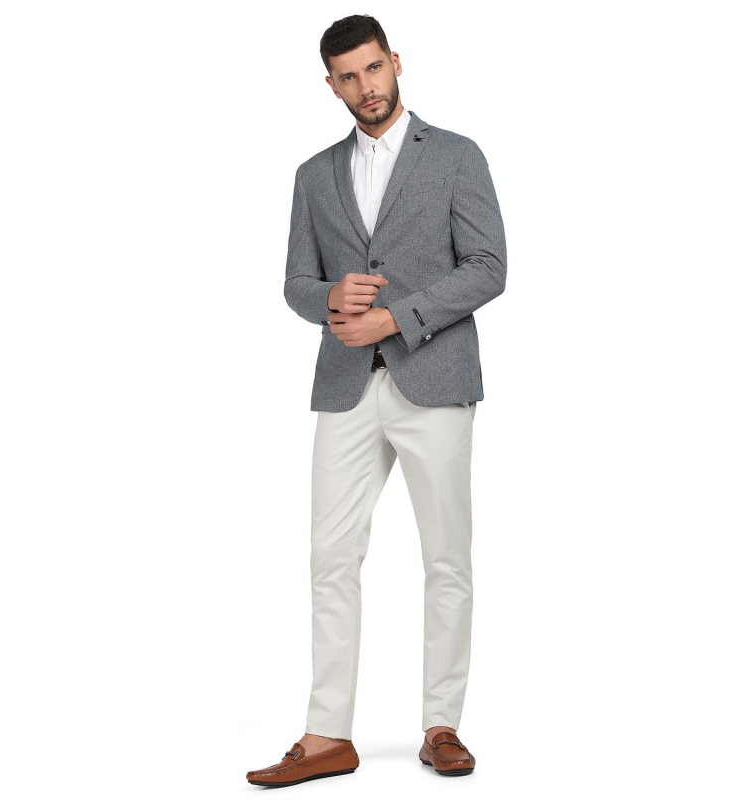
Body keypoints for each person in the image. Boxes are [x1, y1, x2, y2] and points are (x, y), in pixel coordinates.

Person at [246, 13, 507, 788]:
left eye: (373, 68)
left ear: (395, 61)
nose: (366, 87)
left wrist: (397, 318)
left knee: (446, 557)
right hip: (346, 385)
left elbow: (488, 266)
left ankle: (441, 725)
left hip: (436, 377)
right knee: (330, 558)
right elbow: (295, 282)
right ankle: (328, 734)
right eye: (348, 76)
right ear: (330, 84)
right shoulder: (313, 174)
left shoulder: (456, 155)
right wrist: (329, 296)